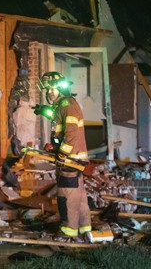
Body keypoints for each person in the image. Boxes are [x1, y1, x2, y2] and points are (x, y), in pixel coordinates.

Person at [36, 71, 91, 238]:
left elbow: (71, 134)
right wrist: (44, 110)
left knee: (67, 195)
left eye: (51, 89)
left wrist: (62, 154)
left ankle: (69, 229)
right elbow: (58, 118)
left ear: (59, 89)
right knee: (78, 195)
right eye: (47, 90)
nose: (48, 93)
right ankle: (84, 227)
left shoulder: (67, 105)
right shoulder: (64, 104)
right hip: (74, 157)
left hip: (69, 159)